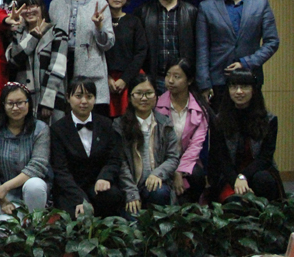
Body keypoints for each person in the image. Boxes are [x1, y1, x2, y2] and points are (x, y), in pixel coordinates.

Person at [196, 0, 279, 108]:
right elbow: (202, 48)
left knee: (253, 122)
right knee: (220, 123)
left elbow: (272, 42)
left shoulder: (261, 4)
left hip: (250, 78)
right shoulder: (206, 7)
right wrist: (204, 84)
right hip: (218, 80)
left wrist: (246, 63)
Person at [49, 0, 115, 117]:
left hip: (91, 70)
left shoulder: (101, 4)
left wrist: (99, 27)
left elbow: (108, 44)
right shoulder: (55, 5)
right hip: (62, 67)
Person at [51, 77, 124, 218]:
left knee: (112, 197)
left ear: (95, 99)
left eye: (89, 96)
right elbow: (60, 170)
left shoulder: (106, 124)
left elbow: (114, 158)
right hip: (71, 189)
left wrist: (105, 177)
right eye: (78, 96)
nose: (84, 101)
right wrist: (79, 198)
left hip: (98, 184)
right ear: (68, 97)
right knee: (73, 215)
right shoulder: (57, 129)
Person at [209, 69, 283, 202]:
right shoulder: (219, 120)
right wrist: (236, 180)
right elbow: (221, 158)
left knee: (263, 181)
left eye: (244, 87)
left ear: (253, 90)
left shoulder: (269, 120)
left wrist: (243, 176)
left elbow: (265, 158)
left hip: (258, 173)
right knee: (234, 202)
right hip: (230, 175)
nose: (239, 91)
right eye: (234, 87)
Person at [114, 74, 179, 214]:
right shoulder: (119, 126)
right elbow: (120, 162)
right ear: (130, 97)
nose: (144, 98)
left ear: (156, 96)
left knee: (160, 192)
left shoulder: (165, 123)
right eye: (138, 93)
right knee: (132, 220)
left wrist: (158, 174)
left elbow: (173, 157)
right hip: (129, 186)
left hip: (155, 184)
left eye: (149, 93)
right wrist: (131, 192)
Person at [0, 83, 49, 220]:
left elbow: (37, 167)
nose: (15, 108)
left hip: (32, 193)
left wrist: (6, 186)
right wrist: (2, 200)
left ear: (28, 103)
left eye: (20, 103)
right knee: (6, 229)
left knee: (34, 185)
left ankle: (35, 223)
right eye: (10, 103)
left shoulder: (41, 129)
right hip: (5, 198)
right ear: (3, 105)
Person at [134, 0, 198, 94]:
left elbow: (199, 48)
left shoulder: (192, 12)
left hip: (183, 79)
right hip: (152, 79)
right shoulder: (143, 12)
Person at [6, 0, 68, 123]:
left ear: (41, 8)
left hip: (51, 101)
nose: (29, 11)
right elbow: (13, 61)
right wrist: (32, 38)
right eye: (25, 7)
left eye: (33, 6)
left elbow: (57, 69)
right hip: (23, 103)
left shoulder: (57, 33)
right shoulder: (17, 34)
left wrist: (47, 102)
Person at [155, 58, 209, 204]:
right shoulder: (157, 105)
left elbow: (195, 146)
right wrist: (172, 169)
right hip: (162, 162)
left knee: (196, 175)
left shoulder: (200, 110)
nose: (170, 81)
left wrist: (180, 170)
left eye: (177, 77)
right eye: (168, 75)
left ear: (189, 80)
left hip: (188, 162)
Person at [103, 0, 147, 118]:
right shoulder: (99, 21)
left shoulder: (134, 22)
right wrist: (107, 78)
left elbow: (141, 52)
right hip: (104, 80)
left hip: (130, 80)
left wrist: (125, 79)